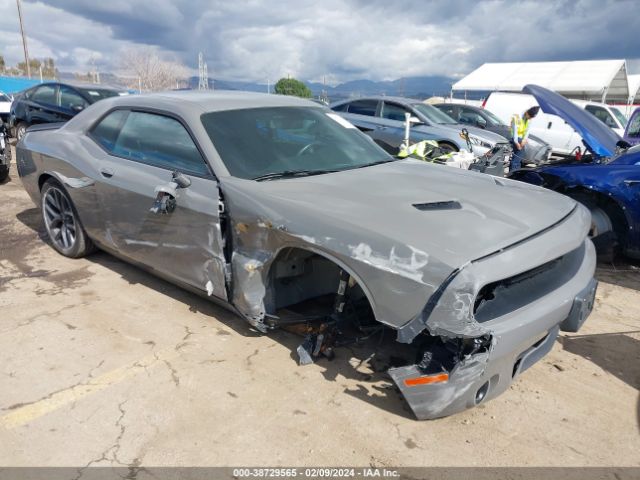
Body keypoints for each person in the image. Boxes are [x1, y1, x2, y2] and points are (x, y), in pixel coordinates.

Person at [509, 106, 539, 172]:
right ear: (527, 113)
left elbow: (527, 130)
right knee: (520, 153)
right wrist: (517, 143)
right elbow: (515, 131)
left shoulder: (529, 119)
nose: (530, 119)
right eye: (530, 117)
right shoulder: (517, 116)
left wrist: (524, 140)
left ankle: (515, 170)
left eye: (532, 118)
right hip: (513, 137)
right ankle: (513, 171)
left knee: (520, 154)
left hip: (520, 138)